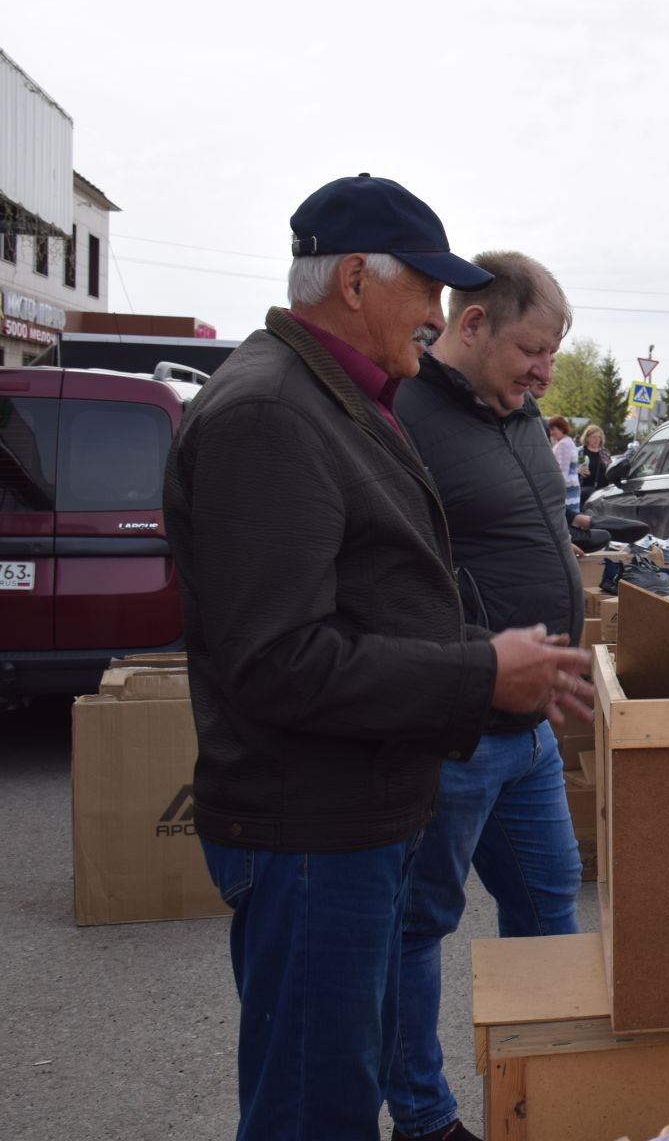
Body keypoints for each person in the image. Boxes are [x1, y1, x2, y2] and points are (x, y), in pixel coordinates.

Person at [162, 175, 594, 1141]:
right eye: (428, 293)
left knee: (333, 1093)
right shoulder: (273, 412)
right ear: (356, 280)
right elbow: (277, 659)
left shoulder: (337, 399)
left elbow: (377, 595)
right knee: (316, 1108)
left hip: (350, 809)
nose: (439, 318)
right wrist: (481, 673)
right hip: (309, 827)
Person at [387, 251, 588, 1141]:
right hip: (455, 732)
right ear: (472, 326)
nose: (545, 372)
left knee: (551, 901)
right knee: (418, 928)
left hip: (529, 733)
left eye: (552, 355)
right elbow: (391, 583)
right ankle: (424, 1121)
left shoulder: (518, 410)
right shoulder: (405, 417)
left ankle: (543, 1097)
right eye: (533, 351)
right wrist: (478, 663)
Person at [578, 423, 612, 495]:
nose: (597, 440)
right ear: (587, 438)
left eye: (599, 437)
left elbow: (610, 469)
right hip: (584, 490)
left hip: (603, 491)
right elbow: (571, 469)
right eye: (594, 437)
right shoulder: (581, 452)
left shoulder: (604, 452)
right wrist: (578, 470)